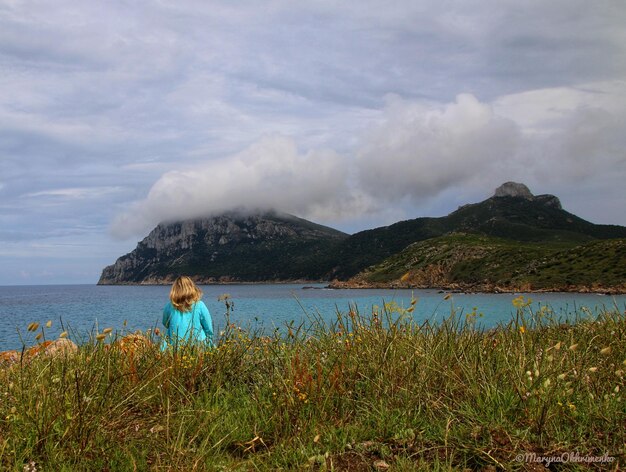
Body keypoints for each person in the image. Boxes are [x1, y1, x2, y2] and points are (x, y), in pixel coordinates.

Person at [161, 276, 214, 350]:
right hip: (198, 347)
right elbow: (209, 328)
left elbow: (165, 324)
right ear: (191, 288)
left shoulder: (169, 306)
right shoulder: (200, 305)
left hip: (175, 348)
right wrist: (209, 343)